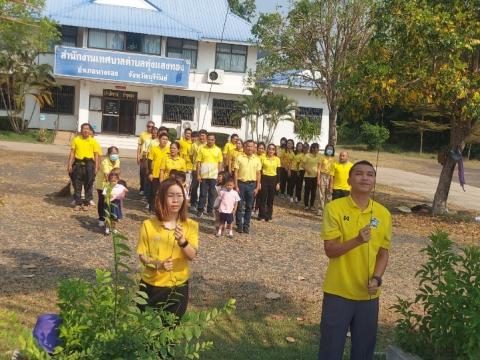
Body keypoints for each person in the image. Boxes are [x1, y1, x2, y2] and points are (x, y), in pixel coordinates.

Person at [318, 160, 391, 360]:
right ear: (349, 180)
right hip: (338, 293)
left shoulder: (383, 214)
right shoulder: (334, 208)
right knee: (330, 350)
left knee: (363, 351)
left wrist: (377, 279)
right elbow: (330, 250)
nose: (365, 178)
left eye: (370, 174)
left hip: (368, 296)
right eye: (359, 173)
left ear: (374, 181)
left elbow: (383, 253)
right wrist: (357, 240)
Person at [136, 178, 198, 320]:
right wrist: (159, 265)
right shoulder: (148, 225)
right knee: (144, 328)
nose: (175, 200)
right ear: (162, 198)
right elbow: (142, 256)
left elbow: (192, 255)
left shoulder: (191, 225)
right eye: (171, 196)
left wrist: (182, 241)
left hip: (178, 286)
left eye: (179, 196)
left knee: (170, 331)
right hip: (151, 285)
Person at [67, 123, 101, 211]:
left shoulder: (93, 141)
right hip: (78, 164)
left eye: (87, 129)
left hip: (89, 164)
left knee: (89, 184)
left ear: (90, 131)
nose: (85, 130)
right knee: (77, 183)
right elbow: (72, 153)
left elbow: (96, 155)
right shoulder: (76, 139)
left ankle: (86, 202)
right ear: (81, 130)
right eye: (83, 128)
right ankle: (78, 203)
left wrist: (96, 167)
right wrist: (69, 164)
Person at [234, 140, 262, 234]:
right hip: (241, 184)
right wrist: (236, 185)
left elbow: (258, 174)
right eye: (248, 146)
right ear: (245, 147)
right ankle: (239, 225)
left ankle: (246, 226)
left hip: (252, 185)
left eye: (252, 146)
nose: (250, 148)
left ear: (254, 148)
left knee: (249, 206)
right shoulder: (239, 157)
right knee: (240, 206)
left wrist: (257, 187)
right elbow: (235, 172)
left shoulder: (257, 159)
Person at [196, 133, 223, 217]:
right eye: (209, 139)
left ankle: (210, 210)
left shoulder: (218, 150)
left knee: (212, 194)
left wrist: (219, 175)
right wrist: (198, 174)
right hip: (204, 175)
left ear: (215, 140)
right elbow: (198, 163)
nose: (210, 141)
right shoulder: (202, 149)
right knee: (203, 193)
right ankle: (200, 209)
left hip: (214, 176)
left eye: (212, 139)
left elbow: (220, 163)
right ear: (206, 139)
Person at [95, 146, 120, 227]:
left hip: (112, 183)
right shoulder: (105, 162)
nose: (114, 155)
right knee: (102, 201)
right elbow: (107, 175)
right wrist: (111, 185)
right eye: (113, 153)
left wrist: (116, 184)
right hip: (103, 184)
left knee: (113, 201)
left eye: (116, 153)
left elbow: (117, 172)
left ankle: (112, 217)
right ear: (108, 154)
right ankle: (101, 219)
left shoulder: (118, 161)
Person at [258, 143, 281, 221]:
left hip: (273, 179)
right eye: (270, 149)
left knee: (270, 199)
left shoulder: (277, 159)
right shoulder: (263, 158)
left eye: (273, 149)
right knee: (263, 198)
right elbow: (260, 171)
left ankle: (269, 216)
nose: (271, 150)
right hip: (264, 178)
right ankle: (261, 215)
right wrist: (260, 182)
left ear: (275, 151)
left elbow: (278, 172)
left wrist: (278, 183)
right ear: (267, 150)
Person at [148, 133, 170, 211]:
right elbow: (149, 161)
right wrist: (150, 173)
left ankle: (161, 207)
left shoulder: (169, 150)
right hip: (155, 173)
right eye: (163, 139)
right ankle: (151, 207)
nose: (165, 141)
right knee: (154, 191)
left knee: (164, 192)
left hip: (165, 175)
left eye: (166, 139)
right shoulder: (153, 148)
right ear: (159, 139)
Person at [189, 129, 207, 211]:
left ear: (206, 136)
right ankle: (193, 203)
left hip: (206, 169)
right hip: (195, 169)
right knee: (194, 187)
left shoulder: (208, 144)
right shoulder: (194, 145)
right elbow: (191, 156)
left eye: (203, 135)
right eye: (200, 135)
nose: (201, 137)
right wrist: (195, 163)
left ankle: (202, 204)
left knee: (204, 188)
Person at [317, 144, 336, 216]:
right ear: (326, 149)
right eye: (328, 148)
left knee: (329, 194)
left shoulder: (334, 159)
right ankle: (320, 210)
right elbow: (318, 169)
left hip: (330, 177)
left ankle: (328, 210)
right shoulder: (322, 158)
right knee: (321, 193)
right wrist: (318, 179)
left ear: (333, 150)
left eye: (331, 149)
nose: (330, 150)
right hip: (322, 176)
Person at [137, 120, 154, 195]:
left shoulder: (154, 135)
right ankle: (142, 189)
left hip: (151, 157)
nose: (150, 128)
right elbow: (139, 146)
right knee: (142, 173)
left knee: (149, 173)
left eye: (151, 126)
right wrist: (137, 156)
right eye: (148, 126)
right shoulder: (142, 134)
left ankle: (147, 189)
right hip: (143, 157)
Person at [302, 143, 321, 210]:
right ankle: (306, 205)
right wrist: (307, 170)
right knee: (307, 191)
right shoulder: (307, 155)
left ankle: (312, 205)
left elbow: (319, 168)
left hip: (315, 177)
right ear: (313, 148)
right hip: (308, 176)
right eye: (317, 148)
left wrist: (318, 177)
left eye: (318, 148)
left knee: (313, 192)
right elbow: (303, 165)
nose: (318, 149)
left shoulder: (319, 157)